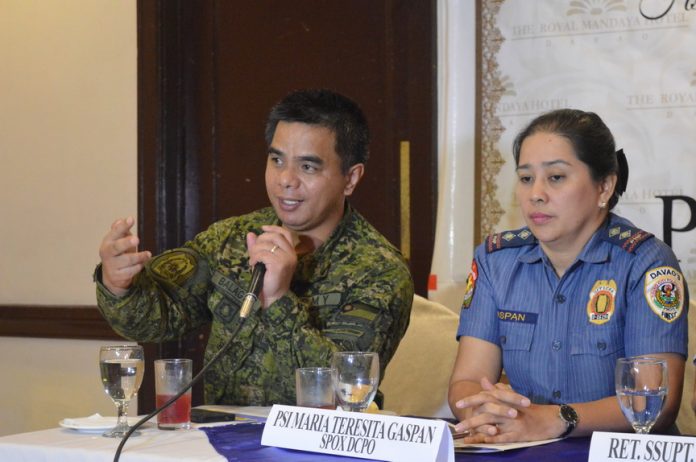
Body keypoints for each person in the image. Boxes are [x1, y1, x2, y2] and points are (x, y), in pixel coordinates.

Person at [95, 89, 414, 406]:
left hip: (320, 449)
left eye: (308, 167)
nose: (286, 180)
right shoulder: (231, 238)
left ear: (350, 178)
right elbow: (154, 319)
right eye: (277, 160)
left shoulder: (379, 271)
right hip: (221, 442)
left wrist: (277, 300)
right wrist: (119, 284)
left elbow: (342, 393)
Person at [448, 109, 688, 443]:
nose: (536, 194)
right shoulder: (495, 260)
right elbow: (468, 379)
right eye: (526, 178)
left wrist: (557, 419)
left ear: (604, 186)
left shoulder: (644, 262)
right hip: (526, 447)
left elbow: (653, 403)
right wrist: (489, 417)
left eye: (556, 177)